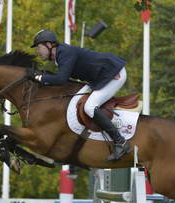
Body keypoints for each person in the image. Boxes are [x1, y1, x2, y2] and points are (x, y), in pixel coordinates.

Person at [29, 29, 130, 161]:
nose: (37, 51)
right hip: (101, 77)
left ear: (48, 44)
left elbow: (61, 79)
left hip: (113, 75)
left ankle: (120, 142)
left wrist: (39, 78)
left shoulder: (64, 52)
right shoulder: (60, 55)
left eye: (38, 47)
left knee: (89, 107)